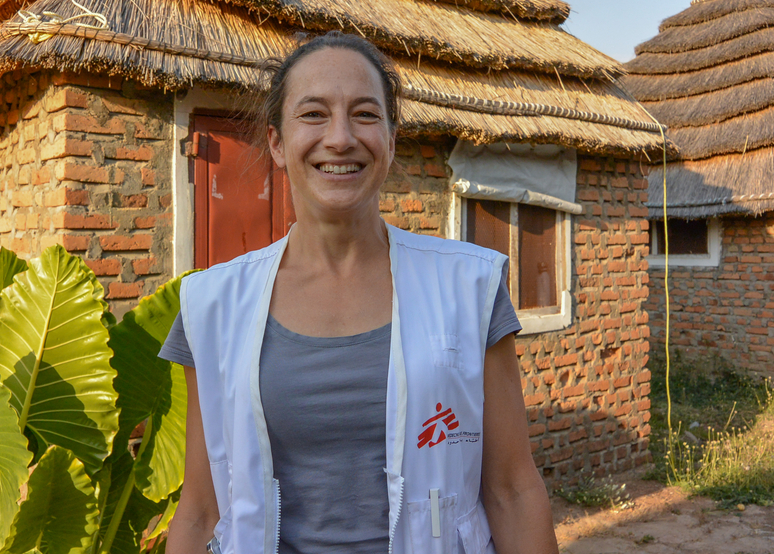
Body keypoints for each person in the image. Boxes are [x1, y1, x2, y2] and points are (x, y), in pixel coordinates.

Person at [161, 32, 559, 554]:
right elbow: (201, 509)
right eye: (313, 114)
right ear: (277, 143)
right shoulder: (213, 306)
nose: (341, 138)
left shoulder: (469, 289)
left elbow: (512, 490)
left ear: (392, 141)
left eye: (366, 114)